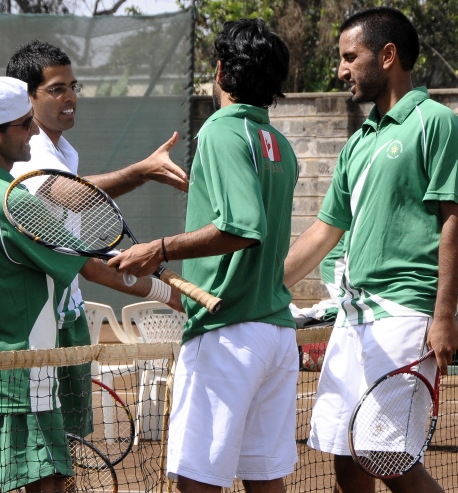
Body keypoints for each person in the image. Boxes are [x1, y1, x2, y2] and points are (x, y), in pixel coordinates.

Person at [0, 76, 180, 493]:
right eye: (25, 124)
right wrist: (169, 294)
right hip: (21, 381)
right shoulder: (16, 202)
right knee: (50, 485)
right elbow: (95, 269)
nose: (33, 132)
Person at [283, 7, 458, 493]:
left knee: (384, 454)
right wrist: (260, 285)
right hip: (352, 319)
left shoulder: (437, 123)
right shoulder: (358, 142)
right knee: (346, 459)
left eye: (351, 57)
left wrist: (444, 315)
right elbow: (324, 232)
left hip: (404, 315)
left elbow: (455, 220)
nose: (341, 70)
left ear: (388, 56)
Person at [109, 19, 298, 493]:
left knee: (196, 482)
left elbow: (241, 228)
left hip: (226, 336)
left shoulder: (220, 131)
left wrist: (159, 248)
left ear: (220, 71)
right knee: (264, 480)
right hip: (275, 334)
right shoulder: (280, 145)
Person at [5, 40, 189, 438]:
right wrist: (143, 171)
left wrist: (167, 293)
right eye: (56, 89)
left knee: (69, 445)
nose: (70, 97)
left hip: (68, 320)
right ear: (27, 97)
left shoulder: (64, 152)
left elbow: (88, 265)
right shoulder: (30, 151)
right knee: (42, 454)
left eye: (73, 86)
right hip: (36, 329)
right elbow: (66, 193)